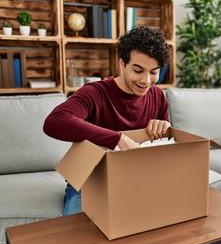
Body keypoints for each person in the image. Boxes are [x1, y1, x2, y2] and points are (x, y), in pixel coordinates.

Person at [43, 25, 172, 215]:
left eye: (154, 72)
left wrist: (167, 128)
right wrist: (117, 139)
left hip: (137, 180)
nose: (146, 80)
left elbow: (164, 151)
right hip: (90, 182)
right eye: (138, 70)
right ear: (122, 63)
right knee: (79, 237)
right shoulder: (95, 93)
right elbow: (54, 121)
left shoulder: (157, 96)